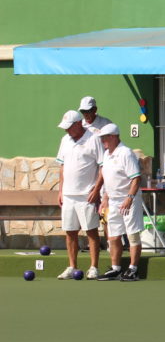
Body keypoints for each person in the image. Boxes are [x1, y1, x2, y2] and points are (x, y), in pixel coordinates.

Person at [55, 110, 105, 280]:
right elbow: (62, 167)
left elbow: (102, 167)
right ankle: (72, 266)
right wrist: (60, 190)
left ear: (78, 124)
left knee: (91, 231)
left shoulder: (94, 138)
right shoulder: (65, 140)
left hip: (86, 195)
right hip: (68, 195)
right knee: (70, 231)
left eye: (69, 127)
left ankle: (93, 267)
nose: (66, 131)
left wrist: (97, 190)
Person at [94, 123, 145, 281]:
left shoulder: (126, 153)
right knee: (114, 236)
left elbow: (136, 178)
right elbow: (108, 179)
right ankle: (116, 269)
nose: (103, 141)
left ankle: (133, 269)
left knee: (132, 235)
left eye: (105, 138)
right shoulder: (107, 155)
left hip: (129, 199)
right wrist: (104, 199)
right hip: (113, 201)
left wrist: (129, 198)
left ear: (114, 136)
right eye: (101, 138)